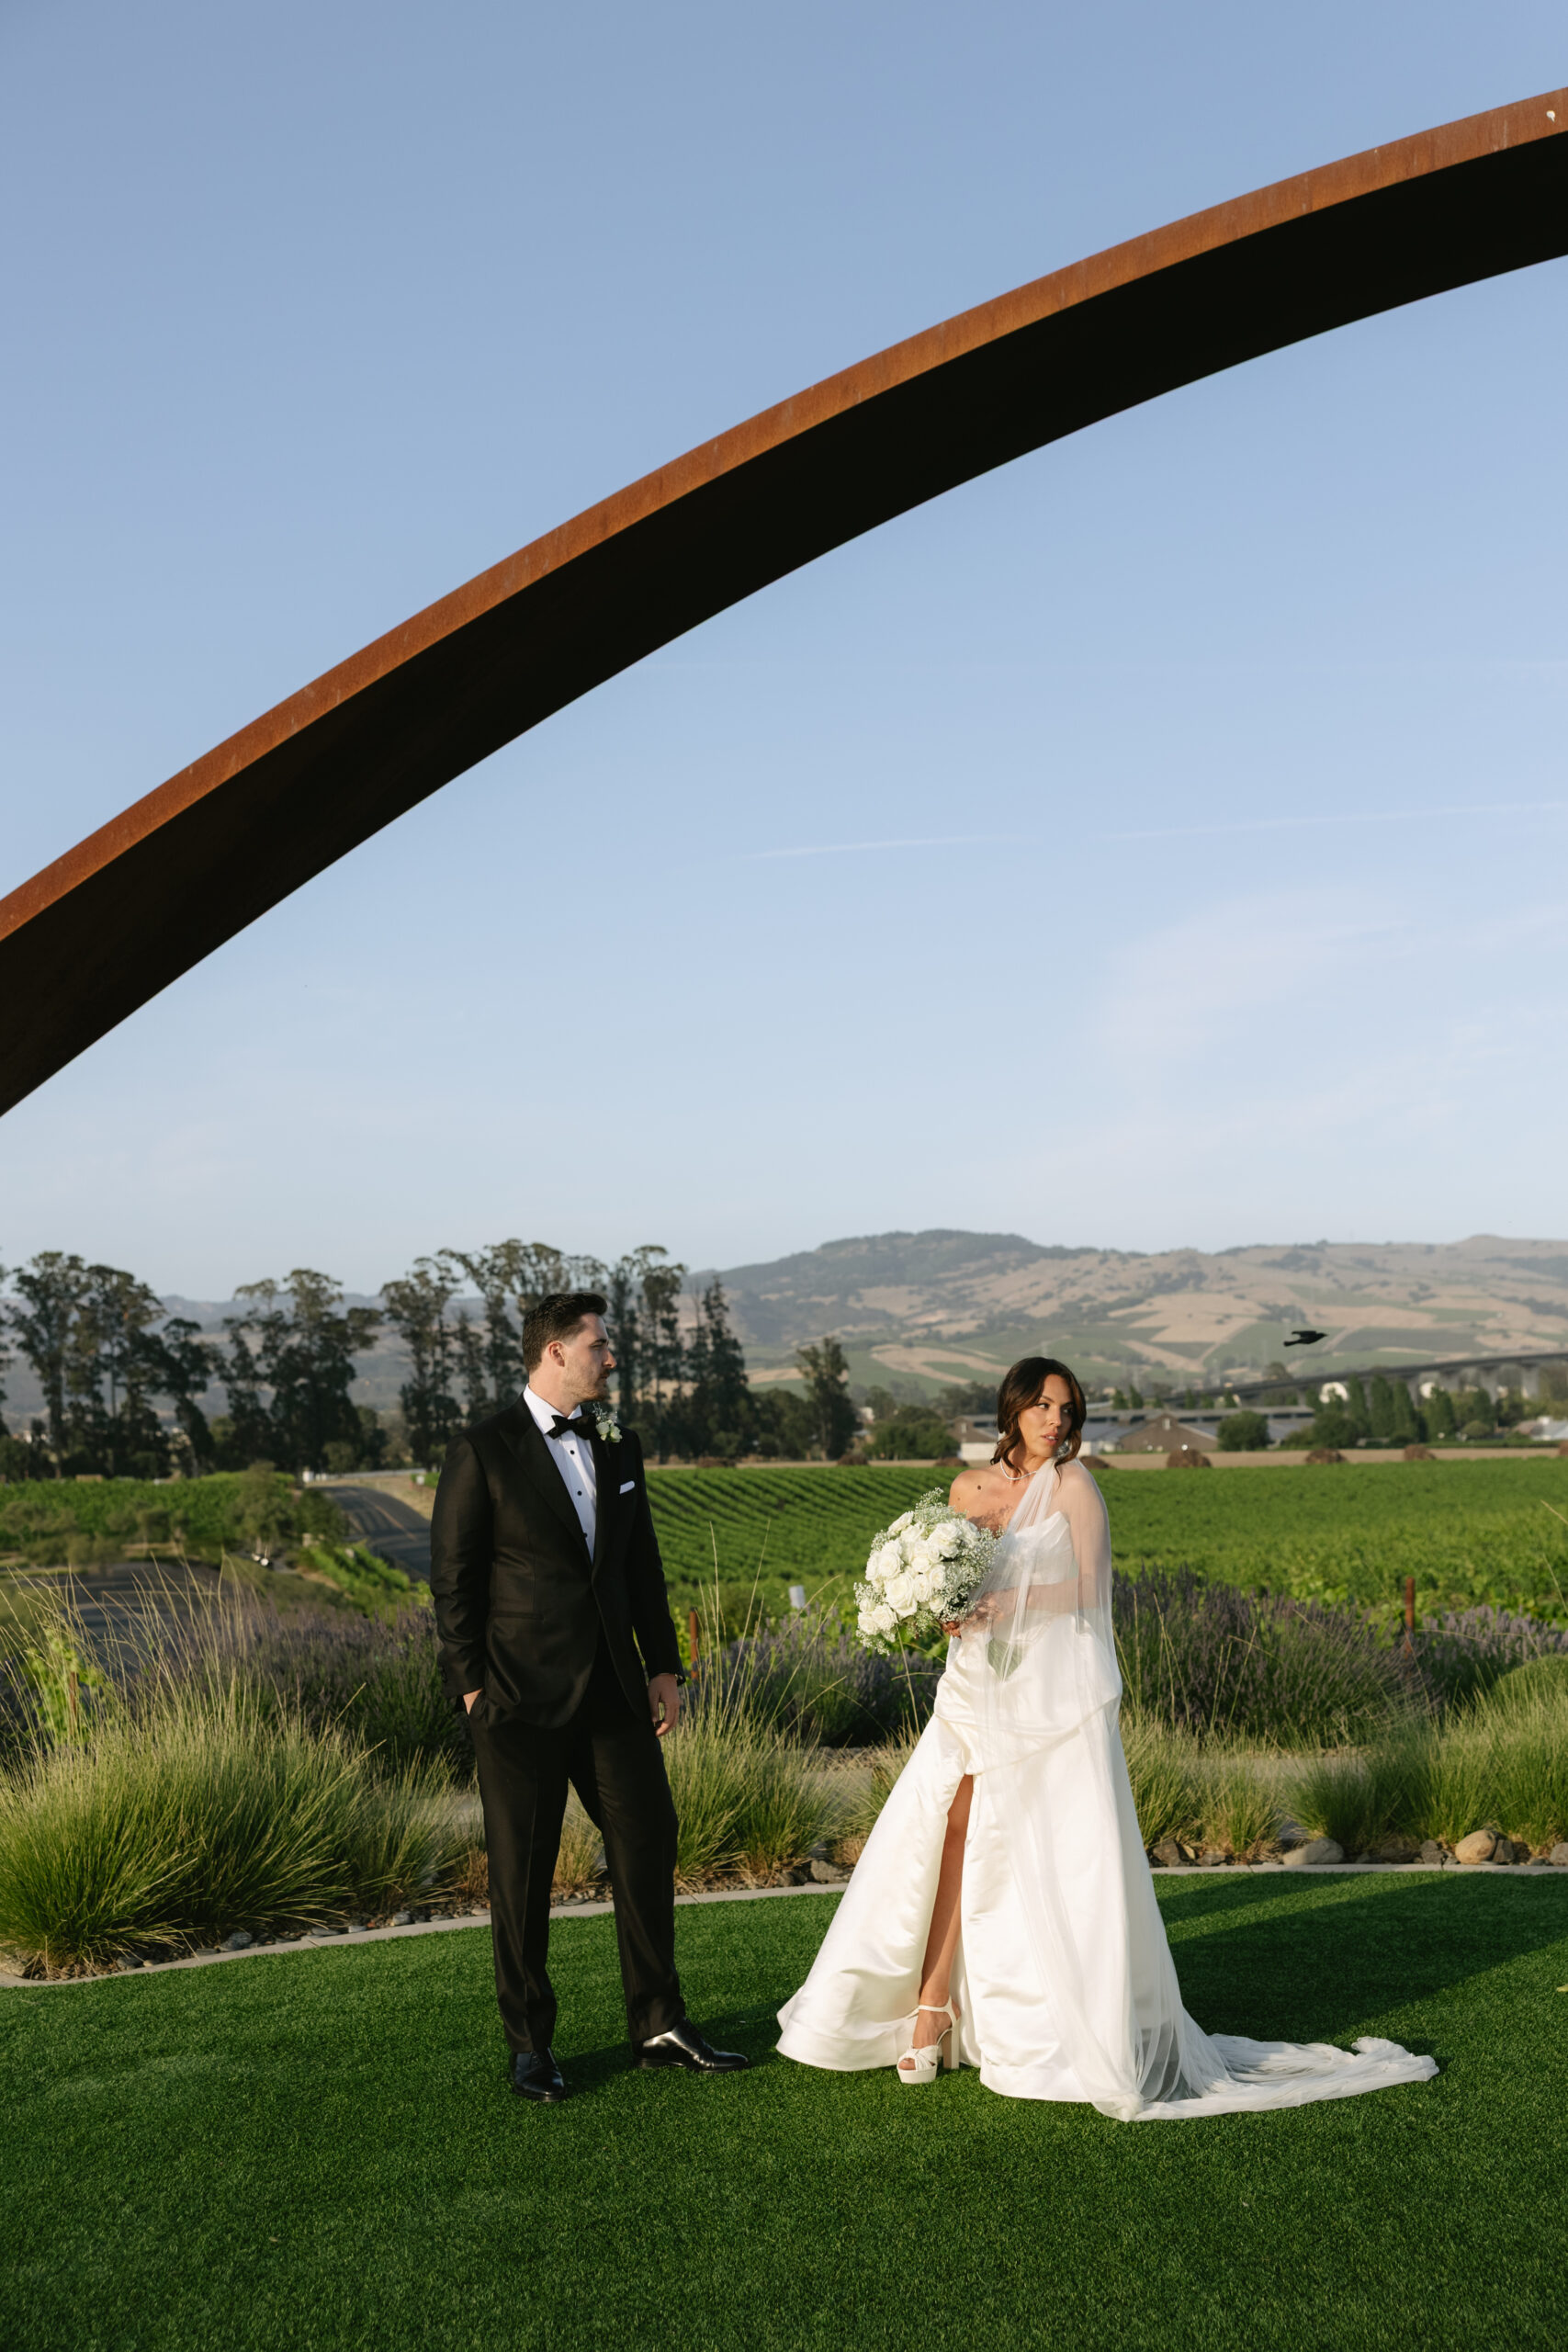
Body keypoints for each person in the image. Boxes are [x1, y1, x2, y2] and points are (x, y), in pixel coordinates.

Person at [777, 1355, 1437, 2119]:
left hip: (1050, 1693)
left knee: (1039, 1845)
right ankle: (930, 2006)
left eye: (1067, 1409)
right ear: (1013, 1409)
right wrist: (947, 1610)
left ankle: (1038, 2021)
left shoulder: (1074, 1487)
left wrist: (1002, 1597)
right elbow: (948, 1586)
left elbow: (1090, 1588)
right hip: (974, 1686)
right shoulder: (967, 1490)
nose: (1055, 1421)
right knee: (947, 1832)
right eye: (1043, 1407)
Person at [430, 1289, 748, 2101]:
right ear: (555, 1353)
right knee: (522, 1876)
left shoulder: (617, 1441)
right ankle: (531, 2045)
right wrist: (473, 1692)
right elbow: (453, 1585)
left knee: (648, 1841)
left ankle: (658, 2022)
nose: (612, 1358)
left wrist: (663, 1665)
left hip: (614, 1690)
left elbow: (639, 1564)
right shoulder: (483, 1449)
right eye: (599, 1346)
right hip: (516, 1702)